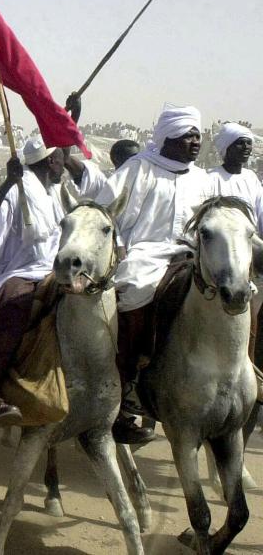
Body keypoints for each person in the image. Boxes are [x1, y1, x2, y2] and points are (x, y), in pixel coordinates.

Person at [95, 105, 213, 444]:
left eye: (197, 135)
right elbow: (104, 212)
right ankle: (125, 389)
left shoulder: (203, 179)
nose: (195, 141)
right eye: (188, 135)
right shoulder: (139, 169)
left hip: (191, 255)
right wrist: (116, 247)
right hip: (145, 254)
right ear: (167, 137)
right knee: (134, 293)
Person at [0, 138, 66, 425]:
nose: (65, 164)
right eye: (62, 159)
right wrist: (7, 182)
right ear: (50, 161)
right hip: (19, 271)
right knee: (16, 305)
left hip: (53, 270)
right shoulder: (18, 188)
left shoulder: (51, 191)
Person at [207, 122, 261, 225]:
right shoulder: (211, 178)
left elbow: (260, 211)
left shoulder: (251, 177)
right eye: (240, 143)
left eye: (249, 143)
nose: (246, 147)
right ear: (227, 147)